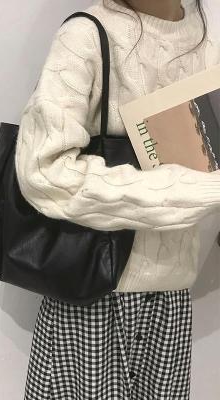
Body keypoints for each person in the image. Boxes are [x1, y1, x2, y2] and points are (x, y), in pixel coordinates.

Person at [14, 0, 220, 399]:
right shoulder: (86, 36)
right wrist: (192, 191)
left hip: (171, 297)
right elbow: (44, 173)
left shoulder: (207, 35)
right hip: (91, 294)